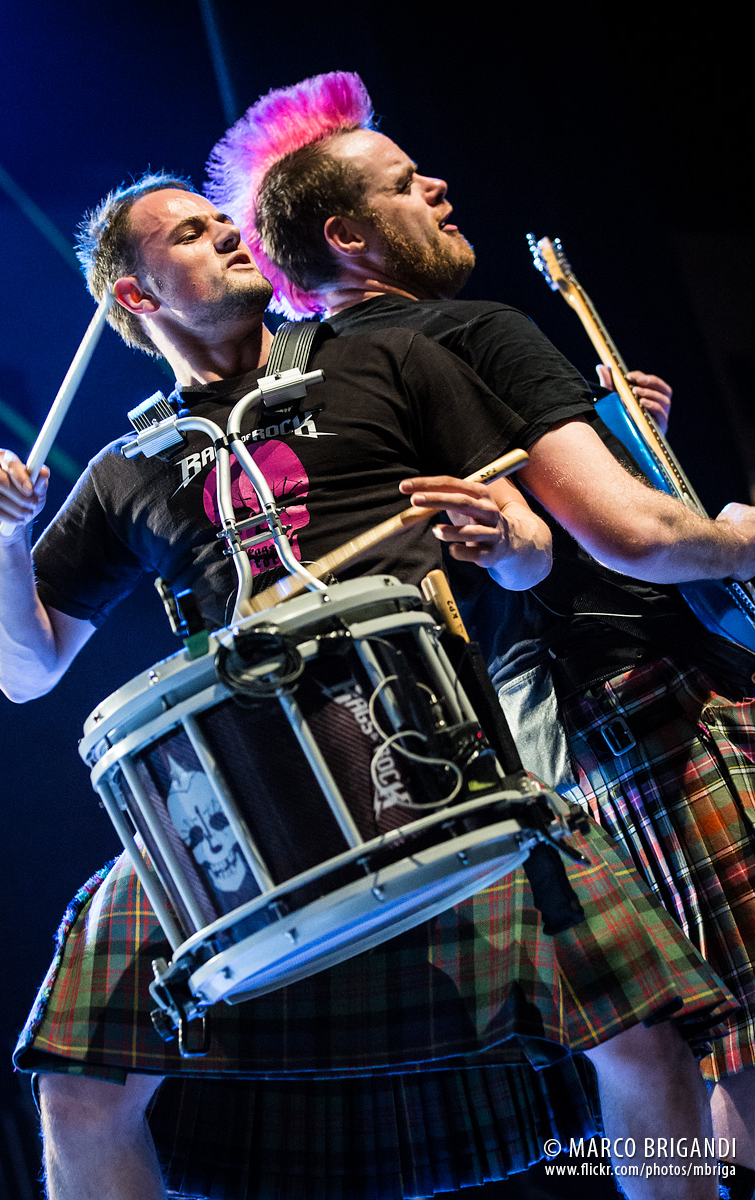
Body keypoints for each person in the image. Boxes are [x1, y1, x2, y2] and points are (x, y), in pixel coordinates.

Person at [0, 173, 743, 1200]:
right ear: (133, 298)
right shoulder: (128, 468)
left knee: (642, 1040)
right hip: (241, 819)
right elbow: (23, 673)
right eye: (189, 235)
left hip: (441, 763)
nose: (227, 237)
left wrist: (504, 537)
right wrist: (6, 546)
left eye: (221, 220)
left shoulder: (390, 357)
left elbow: (527, 556)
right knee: (78, 1087)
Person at [204, 69, 755, 1196]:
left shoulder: (314, 392)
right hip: (658, 710)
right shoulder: (469, 328)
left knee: (678, 1055)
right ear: (349, 235)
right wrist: (735, 537)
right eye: (409, 183)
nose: (442, 188)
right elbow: (633, 539)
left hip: (542, 758)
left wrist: (600, 436)